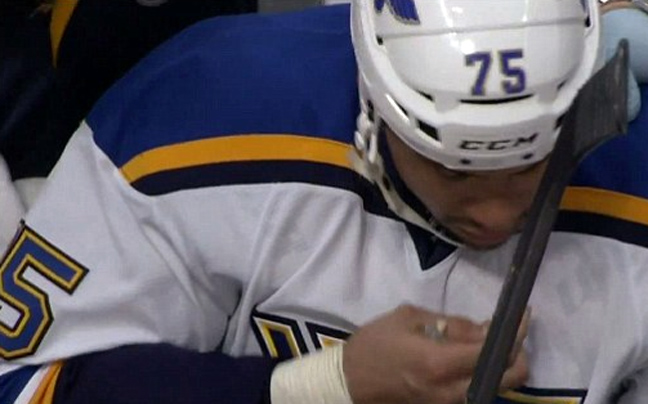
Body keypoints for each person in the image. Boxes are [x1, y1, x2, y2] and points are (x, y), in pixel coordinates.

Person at [1, 1, 648, 403]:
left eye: (529, 162)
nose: (495, 213)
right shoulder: (197, 115)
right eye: (454, 168)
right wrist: (318, 388)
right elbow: (26, 387)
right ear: (374, 104)